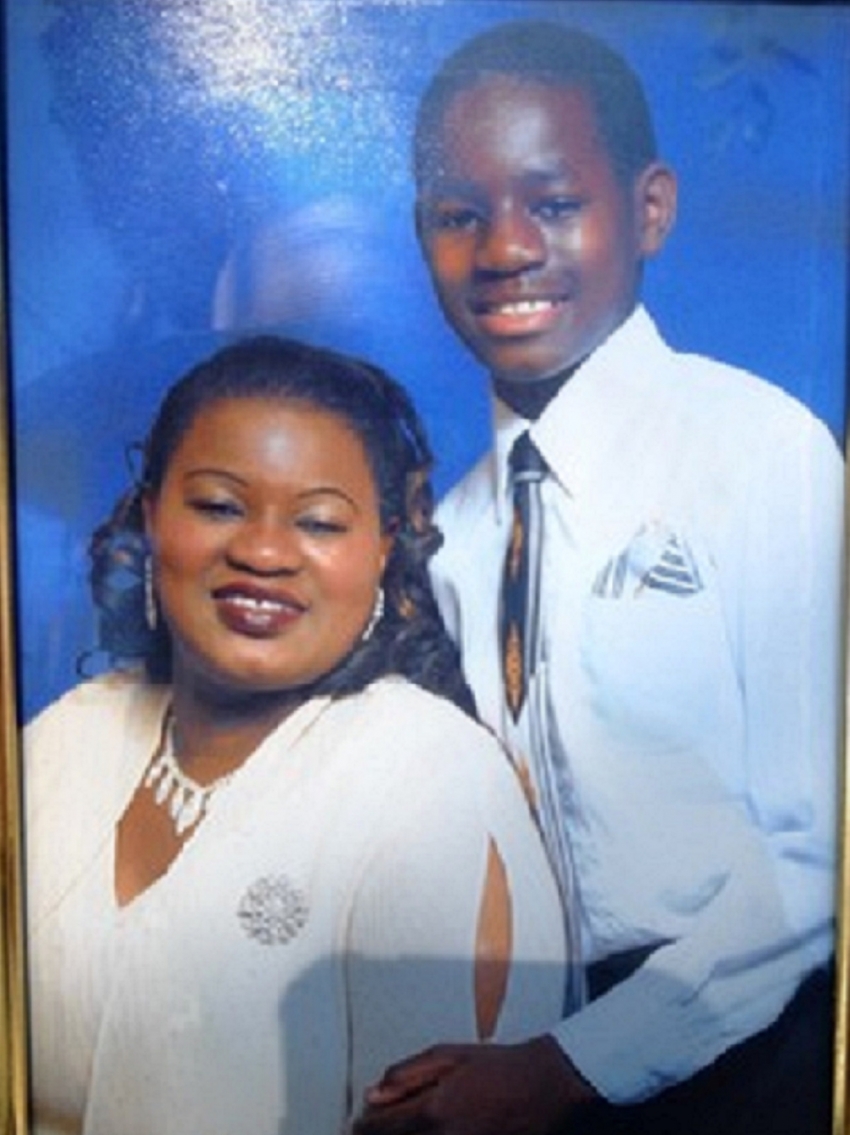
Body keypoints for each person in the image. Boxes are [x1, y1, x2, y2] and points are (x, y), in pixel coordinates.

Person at [355, 19, 844, 1135]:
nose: (504, 248)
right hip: (544, 1060)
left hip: (757, 1050)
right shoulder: (454, 535)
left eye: (555, 203)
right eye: (458, 215)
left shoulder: (761, 452)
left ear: (650, 209)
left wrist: (571, 1065)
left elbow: (818, 850)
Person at [22, 335, 569, 1135]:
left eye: (318, 521)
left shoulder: (426, 782)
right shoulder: (65, 739)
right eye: (218, 505)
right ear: (150, 514)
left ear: (384, 549)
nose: (263, 552)